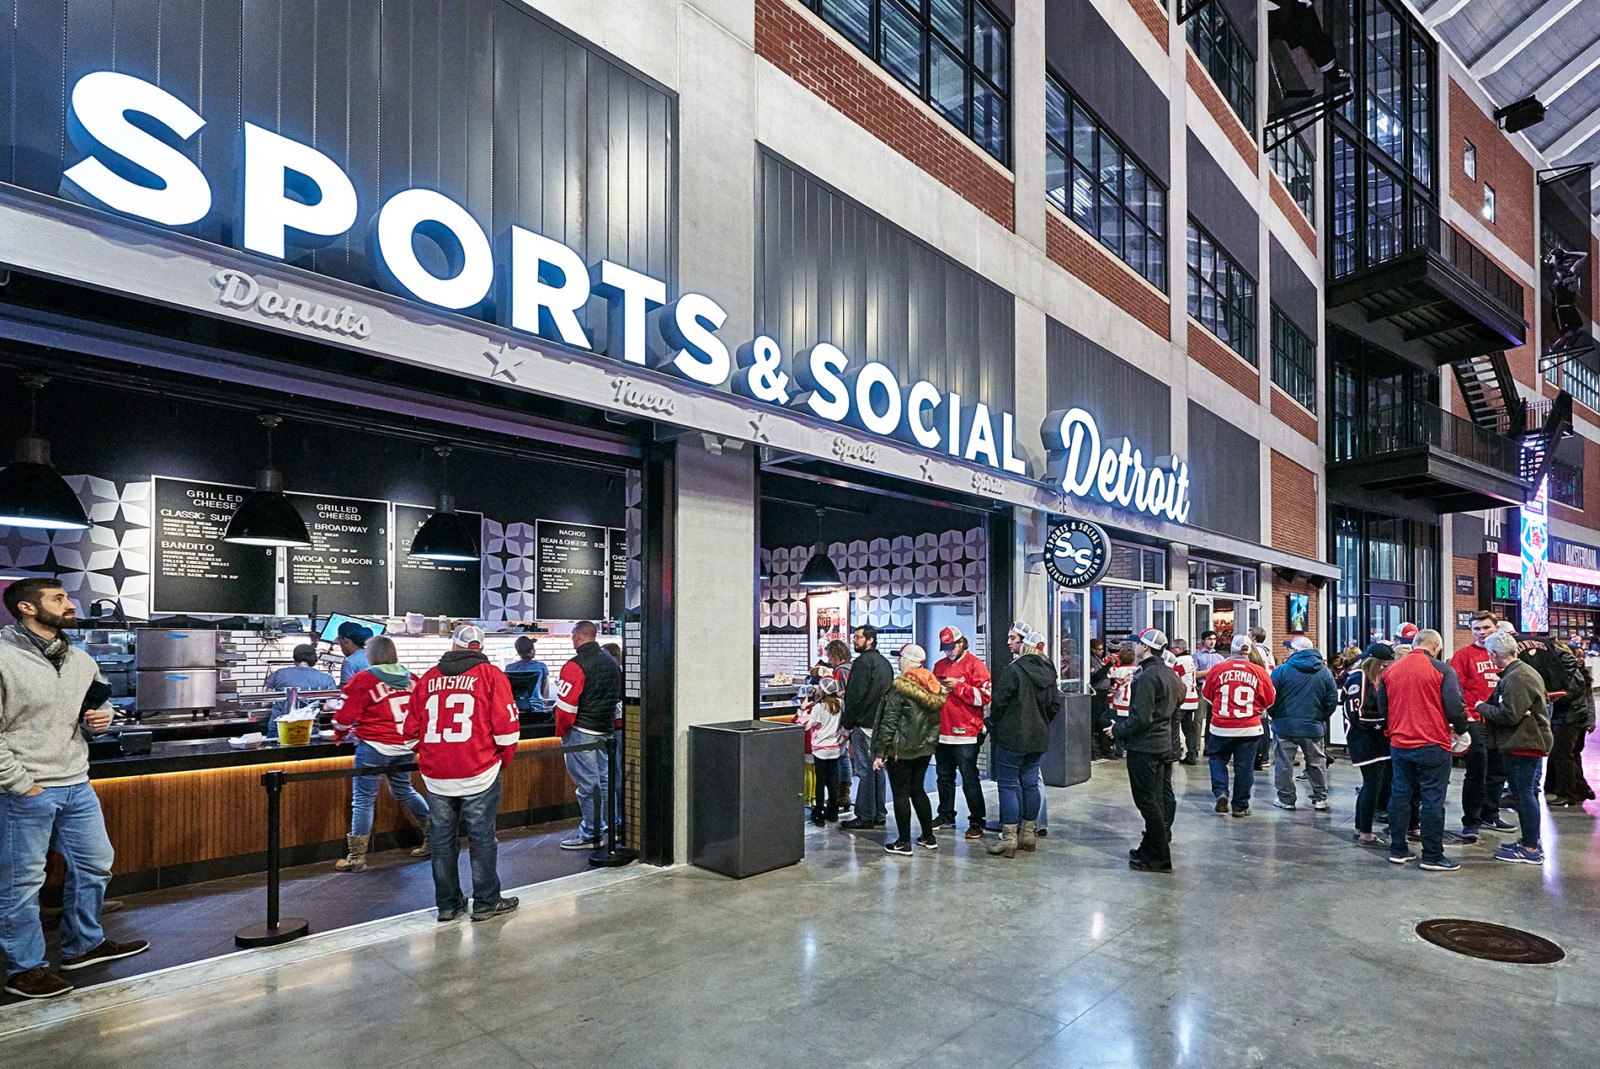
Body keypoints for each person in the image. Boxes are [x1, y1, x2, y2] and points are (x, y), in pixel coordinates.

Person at [1, 578, 148, 999]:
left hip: (76, 783)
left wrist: (101, 722)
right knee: (21, 882)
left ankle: (83, 945)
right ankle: (24, 968)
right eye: (59, 599)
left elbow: (98, 708)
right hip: (25, 788)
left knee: (97, 864)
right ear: (28, 608)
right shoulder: (3, 657)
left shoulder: (80, 659)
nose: (70, 604)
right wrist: (21, 784)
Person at [403, 624, 520, 922]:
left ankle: (447, 904)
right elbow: (507, 732)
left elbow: (409, 736)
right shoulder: (492, 676)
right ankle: (485, 903)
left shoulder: (428, 678)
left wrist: (431, 754)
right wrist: (500, 761)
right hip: (479, 770)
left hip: (436, 775)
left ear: (453, 646)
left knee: (442, 840)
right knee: (481, 837)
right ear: (479, 648)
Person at [330, 636, 430, 872]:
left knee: (364, 799)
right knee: (404, 790)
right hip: (406, 745)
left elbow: (345, 715)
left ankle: (356, 857)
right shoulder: (413, 679)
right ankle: (435, 837)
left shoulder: (364, 679)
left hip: (374, 746)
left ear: (371, 655)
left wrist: (338, 734)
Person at [1376, 629, 1469, 871]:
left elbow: (1383, 708)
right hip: (1433, 743)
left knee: (1400, 795)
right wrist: (1461, 729)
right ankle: (1432, 855)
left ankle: (1398, 849)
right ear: (1436, 646)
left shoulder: (1390, 670)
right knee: (1432, 800)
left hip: (1399, 743)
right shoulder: (1442, 670)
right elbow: (1455, 707)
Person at [1476, 631, 1553, 865]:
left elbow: (1510, 715)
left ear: (1494, 654)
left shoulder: (1517, 677)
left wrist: (1481, 707)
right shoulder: (1520, 673)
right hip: (1525, 741)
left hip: (1524, 743)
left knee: (1523, 795)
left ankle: (1530, 848)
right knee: (1525, 794)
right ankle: (1530, 841)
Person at [1112, 629, 1182, 872]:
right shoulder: (1169, 674)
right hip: (1163, 744)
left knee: (1147, 801)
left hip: (1145, 747)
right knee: (1157, 799)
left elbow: (1141, 718)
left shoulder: (1148, 677)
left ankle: (1160, 857)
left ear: (1145, 647)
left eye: (1139, 644)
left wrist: (1118, 731)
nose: (1136, 648)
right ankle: (1148, 847)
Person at [553, 620, 623, 851]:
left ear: (577, 637)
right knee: (603, 781)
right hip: (605, 730)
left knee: (586, 786)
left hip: (581, 732)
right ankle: (608, 826)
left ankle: (590, 834)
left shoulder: (575, 665)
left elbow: (566, 708)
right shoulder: (611, 662)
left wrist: (562, 731)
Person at [987, 629, 1057, 858]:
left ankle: (1009, 838)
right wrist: (1042, 721)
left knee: (1008, 785)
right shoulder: (1049, 671)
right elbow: (1054, 705)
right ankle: (1028, 834)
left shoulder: (1014, 671)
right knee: (1029, 784)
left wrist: (992, 723)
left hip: (1012, 737)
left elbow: (999, 703)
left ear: (1024, 646)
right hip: (1038, 738)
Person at [872, 644, 943, 856]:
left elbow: (889, 722)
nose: (898, 661)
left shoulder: (900, 688)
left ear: (908, 661)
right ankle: (928, 837)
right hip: (924, 749)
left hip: (900, 750)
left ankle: (904, 842)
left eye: (900, 658)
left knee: (901, 794)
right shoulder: (933, 686)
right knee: (918, 790)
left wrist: (879, 752)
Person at [1200, 635, 1275, 818]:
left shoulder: (1217, 669)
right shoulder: (1259, 671)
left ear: (1231, 650)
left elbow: (1207, 695)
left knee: (1217, 758)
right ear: (1249, 651)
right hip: (1249, 727)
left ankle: (1221, 792)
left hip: (1221, 725)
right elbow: (1270, 700)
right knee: (1244, 767)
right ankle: (1240, 806)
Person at [1450, 611, 1506, 841]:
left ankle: (1490, 813)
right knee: (1477, 771)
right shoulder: (1463, 656)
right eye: (1477, 629)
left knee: (1498, 770)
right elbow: (1454, 690)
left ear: (1496, 628)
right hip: (1475, 719)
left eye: (1486, 628)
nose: (1481, 633)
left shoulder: (1504, 654)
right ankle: (1471, 820)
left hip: (1501, 719)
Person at [931, 626, 991, 839]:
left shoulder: (976, 665)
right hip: (943, 731)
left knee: (969, 778)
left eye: (951, 647)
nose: (948, 652)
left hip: (967, 732)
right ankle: (946, 814)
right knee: (943, 776)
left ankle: (977, 820)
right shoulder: (939, 666)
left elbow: (984, 697)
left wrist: (958, 686)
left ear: (961, 642)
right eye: (945, 648)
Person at [1268, 637, 1337, 812]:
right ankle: (1320, 798)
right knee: (1316, 763)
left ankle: (1286, 799)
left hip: (1284, 725)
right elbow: (1331, 700)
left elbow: (1270, 697)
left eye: (1290, 648)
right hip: (1312, 726)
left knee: (1284, 764)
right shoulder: (1324, 672)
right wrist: (1319, 717)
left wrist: (1274, 715)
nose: (1288, 651)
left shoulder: (1281, 670)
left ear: (1296, 651)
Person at [839, 625, 892, 832]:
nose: (855, 641)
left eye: (858, 637)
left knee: (864, 771)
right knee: (878, 770)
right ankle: (879, 813)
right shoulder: (885, 663)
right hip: (879, 726)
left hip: (863, 724)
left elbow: (855, 695)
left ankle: (864, 815)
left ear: (870, 640)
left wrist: (848, 722)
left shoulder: (862, 663)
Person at [1341, 643, 1394, 847]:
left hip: (1377, 738)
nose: (1385, 669)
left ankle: (1361, 827)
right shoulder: (1359, 678)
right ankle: (1365, 832)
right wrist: (1387, 721)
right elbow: (1358, 715)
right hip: (1365, 739)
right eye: (1383, 665)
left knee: (1373, 785)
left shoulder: (1374, 679)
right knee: (1372, 785)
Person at [1540, 635, 1595, 807]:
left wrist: (1547, 696)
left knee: (1563, 757)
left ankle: (1569, 793)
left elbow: (1566, 698)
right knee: (1567, 756)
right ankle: (1579, 790)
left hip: (1567, 720)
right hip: (1571, 719)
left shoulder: (1570, 673)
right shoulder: (1571, 673)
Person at [798, 676, 845, 826]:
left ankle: (818, 813)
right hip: (836, 748)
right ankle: (833, 813)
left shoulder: (819, 707)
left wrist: (803, 709)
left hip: (820, 750)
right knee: (833, 781)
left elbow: (805, 724)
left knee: (820, 782)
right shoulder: (841, 704)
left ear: (823, 691)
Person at [263, 644, 336, 728]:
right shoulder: (326, 678)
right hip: (307, 729)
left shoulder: (278, 673)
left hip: (279, 728)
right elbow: (331, 705)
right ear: (314, 659)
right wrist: (320, 705)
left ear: (295, 658)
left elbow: (266, 702)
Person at [824, 639, 854, 813]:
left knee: (839, 756)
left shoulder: (841, 670)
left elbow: (839, 693)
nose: (828, 660)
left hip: (840, 718)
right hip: (849, 718)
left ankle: (840, 794)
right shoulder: (852, 667)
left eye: (829, 656)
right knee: (844, 755)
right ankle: (844, 793)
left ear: (836, 655)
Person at [1170, 638, 1201, 765]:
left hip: (1183, 699)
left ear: (1180, 649)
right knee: (1189, 729)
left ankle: (1174, 752)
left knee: (1174, 727)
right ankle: (1192, 754)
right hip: (1192, 698)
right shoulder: (1191, 659)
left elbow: (1174, 676)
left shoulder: (1180, 661)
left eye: (1173, 648)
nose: (1171, 650)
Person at [502, 636, 550, 716]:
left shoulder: (509, 668)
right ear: (532, 651)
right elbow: (545, 693)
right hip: (537, 708)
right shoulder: (541, 667)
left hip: (515, 709)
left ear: (518, 652)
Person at [1107, 645, 1136, 758]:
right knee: (1130, 727)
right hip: (1132, 703)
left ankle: (1120, 749)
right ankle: (1130, 748)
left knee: (1118, 727)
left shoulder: (1118, 671)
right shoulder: (1138, 670)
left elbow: (1112, 688)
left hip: (1119, 703)